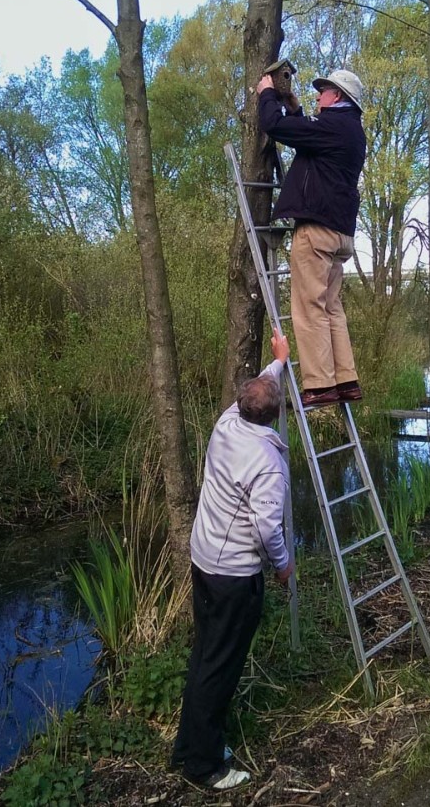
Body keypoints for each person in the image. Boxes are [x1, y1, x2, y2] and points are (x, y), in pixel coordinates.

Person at [171, 329, 293, 791]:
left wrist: (278, 361)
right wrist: (281, 565)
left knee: (205, 656)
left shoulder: (227, 421)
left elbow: (258, 386)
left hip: (204, 561)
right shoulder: (267, 462)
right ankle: (204, 767)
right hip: (233, 577)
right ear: (276, 414)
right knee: (219, 666)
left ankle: (190, 746)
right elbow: (266, 528)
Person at [257, 69, 367, 408]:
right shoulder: (351, 131)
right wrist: (294, 108)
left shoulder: (335, 125)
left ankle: (319, 386)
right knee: (332, 309)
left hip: (317, 230)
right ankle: (345, 380)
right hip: (340, 232)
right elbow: (308, 137)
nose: (318, 97)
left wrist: (266, 94)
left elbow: (276, 127)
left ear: (338, 97)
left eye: (323, 92)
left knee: (309, 308)